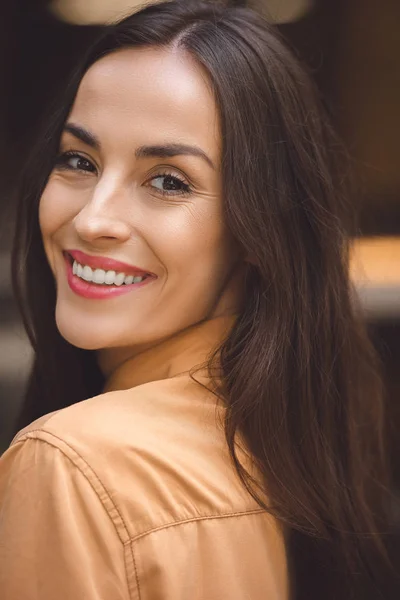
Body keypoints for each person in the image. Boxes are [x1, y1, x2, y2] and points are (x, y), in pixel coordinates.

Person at [0, 1, 392, 598]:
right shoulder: (290, 447)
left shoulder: (73, 466)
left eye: (168, 181)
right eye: (79, 160)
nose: (93, 218)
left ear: (259, 229)